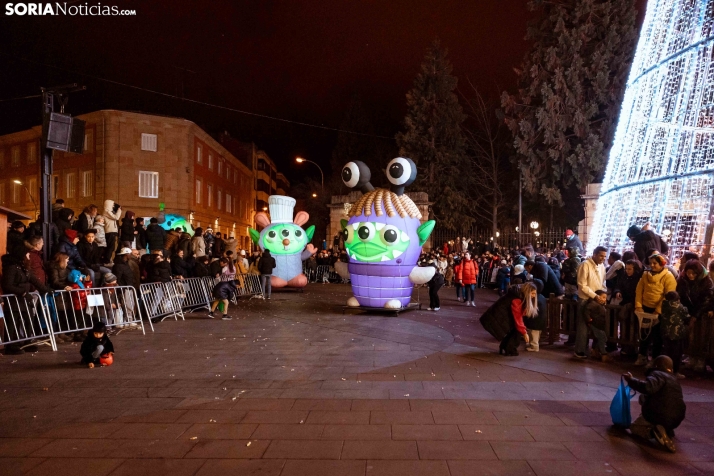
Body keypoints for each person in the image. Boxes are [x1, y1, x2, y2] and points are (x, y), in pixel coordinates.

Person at [623, 355, 686, 453]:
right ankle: (667, 430)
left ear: (657, 365)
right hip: (676, 419)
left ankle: (653, 432)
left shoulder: (657, 374)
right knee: (661, 400)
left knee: (635, 428)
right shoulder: (675, 380)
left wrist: (631, 380)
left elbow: (648, 388)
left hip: (658, 413)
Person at [0, 250, 49, 354]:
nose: (29, 257)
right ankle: (11, 345)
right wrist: (22, 292)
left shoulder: (24, 268)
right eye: (27, 255)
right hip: (14, 300)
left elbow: (34, 280)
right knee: (13, 322)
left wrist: (46, 289)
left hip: (24, 299)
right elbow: (7, 285)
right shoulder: (12, 268)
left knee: (28, 320)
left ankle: (27, 342)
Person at [635, 252, 677, 366]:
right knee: (644, 335)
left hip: (659, 312)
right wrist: (638, 305)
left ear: (662, 264)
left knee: (657, 337)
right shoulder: (645, 275)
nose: (652, 265)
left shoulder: (668, 277)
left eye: (655, 263)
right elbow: (639, 290)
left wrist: (658, 310)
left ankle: (655, 359)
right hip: (645, 309)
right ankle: (642, 356)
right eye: (651, 263)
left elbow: (667, 295)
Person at [677, 259, 713, 373]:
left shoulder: (706, 282)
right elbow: (681, 296)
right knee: (690, 337)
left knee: (701, 338)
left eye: (693, 273)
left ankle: (700, 360)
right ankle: (692, 358)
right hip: (689, 312)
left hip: (702, 314)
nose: (690, 275)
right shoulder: (683, 281)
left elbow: (707, 300)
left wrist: (696, 315)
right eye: (688, 273)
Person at [574, 246, 607, 359]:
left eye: (604, 256)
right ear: (594, 254)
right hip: (585, 298)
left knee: (597, 324)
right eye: (601, 256)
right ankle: (580, 351)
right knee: (583, 325)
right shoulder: (585, 265)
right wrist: (595, 296)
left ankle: (594, 349)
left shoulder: (602, 266)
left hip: (597, 299)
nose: (603, 258)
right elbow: (582, 284)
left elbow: (603, 282)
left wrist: (602, 296)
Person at [659, 291, 690, 378]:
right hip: (677, 334)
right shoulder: (680, 307)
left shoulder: (664, 305)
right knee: (677, 353)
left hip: (665, 333)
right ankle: (675, 371)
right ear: (678, 299)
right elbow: (686, 317)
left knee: (666, 352)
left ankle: (664, 370)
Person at [499, 282, 534, 356]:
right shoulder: (517, 300)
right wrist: (524, 333)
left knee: (513, 331)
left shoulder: (518, 296)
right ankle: (510, 348)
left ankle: (505, 346)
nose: (533, 296)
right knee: (517, 333)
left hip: (506, 315)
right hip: (504, 315)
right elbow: (518, 317)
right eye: (532, 293)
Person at [583, 290, 612, 362]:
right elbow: (586, 309)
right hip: (595, 324)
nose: (604, 299)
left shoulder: (600, 305)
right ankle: (604, 354)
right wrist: (589, 319)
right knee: (602, 337)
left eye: (605, 298)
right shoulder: (594, 304)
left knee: (603, 338)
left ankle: (595, 351)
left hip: (599, 325)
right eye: (603, 297)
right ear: (597, 296)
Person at [102, 200, 122, 265]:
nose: (113, 206)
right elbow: (116, 217)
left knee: (112, 247)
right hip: (111, 232)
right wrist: (119, 210)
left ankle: (109, 260)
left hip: (111, 232)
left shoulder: (108, 212)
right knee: (111, 247)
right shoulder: (107, 211)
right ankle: (107, 261)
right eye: (112, 205)